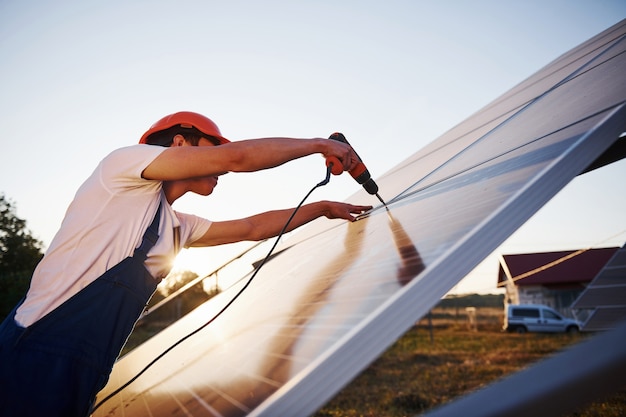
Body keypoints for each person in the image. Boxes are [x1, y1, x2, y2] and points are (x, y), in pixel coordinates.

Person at [0, 111, 372, 417]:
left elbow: (252, 228)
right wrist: (319, 146)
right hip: (32, 354)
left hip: (84, 373)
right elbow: (237, 158)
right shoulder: (122, 166)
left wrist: (323, 208)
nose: (222, 164)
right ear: (181, 142)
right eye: (214, 148)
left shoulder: (176, 226)